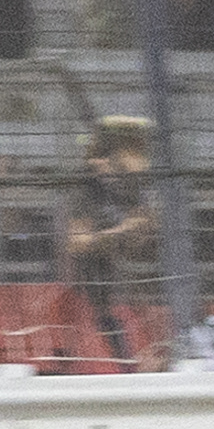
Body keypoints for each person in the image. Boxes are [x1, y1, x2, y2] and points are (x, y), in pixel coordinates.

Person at [65, 114, 159, 368]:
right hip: (89, 296)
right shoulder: (87, 190)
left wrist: (138, 229)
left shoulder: (134, 191)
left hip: (126, 297)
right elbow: (77, 242)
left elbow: (140, 241)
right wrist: (122, 231)